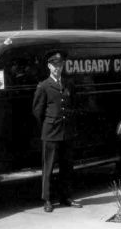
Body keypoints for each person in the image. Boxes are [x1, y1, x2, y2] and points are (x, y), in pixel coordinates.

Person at [32, 52, 83, 212]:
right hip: (51, 131)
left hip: (66, 131)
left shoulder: (68, 84)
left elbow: (73, 105)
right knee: (48, 167)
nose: (58, 68)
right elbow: (37, 111)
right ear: (49, 66)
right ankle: (47, 199)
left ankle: (66, 197)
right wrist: (48, 125)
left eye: (60, 65)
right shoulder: (44, 86)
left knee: (67, 166)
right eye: (55, 65)